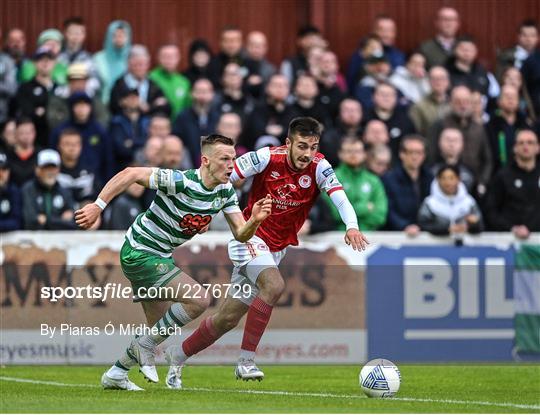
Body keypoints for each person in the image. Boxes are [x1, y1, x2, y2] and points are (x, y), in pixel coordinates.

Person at [164, 117, 368, 388]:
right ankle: (246, 362)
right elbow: (223, 177)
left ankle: (176, 355)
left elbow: (339, 197)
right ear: (288, 143)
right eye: (302, 146)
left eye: (313, 147)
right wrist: (205, 211)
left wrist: (351, 226)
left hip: (276, 249)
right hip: (248, 237)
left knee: (226, 318)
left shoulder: (320, 166)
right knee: (274, 285)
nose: (307, 153)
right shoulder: (265, 157)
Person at [74, 134, 273, 390]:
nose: (231, 165)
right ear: (206, 161)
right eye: (224, 159)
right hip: (140, 250)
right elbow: (130, 173)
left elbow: (240, 233)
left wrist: (255, 220)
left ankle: (116, 374)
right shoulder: (181, 181)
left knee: (157, 330)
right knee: (199, 299)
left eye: (233, 159)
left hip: (160, 255)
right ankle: (142, 348)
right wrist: (98, 207)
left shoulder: (225, 192)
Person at [485, 129, 540, 238]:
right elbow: (491, 210)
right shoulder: (503, 176)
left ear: (537, 147)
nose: (525, 146)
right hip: (510, 241)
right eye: (521, 143)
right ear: (514, 148)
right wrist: (511, 228)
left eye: (530, 142)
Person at [324, 138, 387, 231]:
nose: (353, 155)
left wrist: (346, 210)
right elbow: (333, 214)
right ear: (340, 154)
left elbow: (380, 216)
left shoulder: (373, 180)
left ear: (364, 154)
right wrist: (365, 207)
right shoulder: (331, 178)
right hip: (339, 236)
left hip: (369, 236)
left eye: (357, 151)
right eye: (349, 151)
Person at [382, 135, 433, 235]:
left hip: (425, 233)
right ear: (402, 154)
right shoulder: (389, 179)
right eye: (411, 152)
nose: (415, 157)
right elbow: (388, 209)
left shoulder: (430, 177)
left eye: (419, 152)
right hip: (397, 235)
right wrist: (404, 226)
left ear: (424, 155)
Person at [14, 46, 62, 147]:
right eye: (41, 60)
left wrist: (43, 111)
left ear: (54, 63)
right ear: (34, 63)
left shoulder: (60, 88)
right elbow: (27, 112)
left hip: (58, 139)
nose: (45, 63)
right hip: (34, 142)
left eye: (49, 60)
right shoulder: (25, 88)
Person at [418, 164, 483, 237]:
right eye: (443, 178)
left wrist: (472, 225)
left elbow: (480, 226)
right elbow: (423, 226)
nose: (448, 182)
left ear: (458, 179)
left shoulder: (469, 202)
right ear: (438, 180)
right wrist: (446, 229)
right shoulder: (429, 203)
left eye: (451, 178)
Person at [22, 149, 77, 230]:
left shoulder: (65, 191)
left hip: (61, 240)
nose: (50, 172)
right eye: (46, 168)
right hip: (34, 240)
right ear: (37, 170)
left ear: (58, 170)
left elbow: (73, 224)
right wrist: (61, 220)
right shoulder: (28, 189)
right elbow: (30, 221)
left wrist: (46, 220)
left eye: (53, 168)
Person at [109, 45, 170, 117]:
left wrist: (148, 108)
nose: (139, 68)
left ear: (148, 65)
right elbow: (114, 107)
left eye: (142, 64)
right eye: (136, 65)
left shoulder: (154, 85)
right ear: (129, 65)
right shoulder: (119, 85)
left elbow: (165, 107)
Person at [172, 78, 220, 166]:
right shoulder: (183, 117)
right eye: (199, 91)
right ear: (192, 93)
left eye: (205, 92)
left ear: (212, 94)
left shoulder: (218, 117)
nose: (202, 96)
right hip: (187, 167)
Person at [486, 85, 532, 173]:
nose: (511, 99)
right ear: (499, 101)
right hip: (498, 173)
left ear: (518, 101)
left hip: (523, 172)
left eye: (514, 97)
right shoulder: (491, 125)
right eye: (507, 96)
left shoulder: (525, 124)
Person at [56, 128, 99, 208]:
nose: (72, 148)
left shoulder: (90, 170)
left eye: (76, 144)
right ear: (59, 146)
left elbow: (94, 196)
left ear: (81, 146)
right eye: (67, 144)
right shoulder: (52, 170)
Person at [57, 17, 100, 95]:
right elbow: (54, 82)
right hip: (61, 99)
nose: (75, 37)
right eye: (72, 33)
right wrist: (68, 91)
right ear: (65, 34)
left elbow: (96, 82)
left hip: (83, 99)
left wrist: (80, 89)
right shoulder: (58, 58)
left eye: (79, 33)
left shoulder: (89, 59)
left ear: (84, 36)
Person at [93, 20, 132, 104]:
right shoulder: (98, 58)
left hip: (128, 104)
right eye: (115, 35)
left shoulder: (132, 57)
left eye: (122, 35)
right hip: (104, 103)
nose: (119, 39)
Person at [149, 44, 191, 119]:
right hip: (158, 126)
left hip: (178, 127)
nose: (168, 60)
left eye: (172, 57)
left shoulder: (183, 82)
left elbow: (187, 107)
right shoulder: (151, 78)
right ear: (158, 58)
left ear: (178, 58)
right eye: (165, 57)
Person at [409, 66, 451, 137]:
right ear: (428, 82)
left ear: (448, 81)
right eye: (434, 79)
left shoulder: (454, 104)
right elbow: (416, 133)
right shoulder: (419, 107)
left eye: (442, 78)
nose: (438, 82)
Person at [320, 98, 363, 167]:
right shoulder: (329, 137)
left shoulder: (366, 135)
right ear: (339, 113)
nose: (351, 114)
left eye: (355, 110)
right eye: (347, 110)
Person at [431, 127, 475, 192]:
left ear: (462, 144)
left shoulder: (470, 171)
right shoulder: (430, 169)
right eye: (448, 140)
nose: (451, 144)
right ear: (439, 142)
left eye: (456, 140)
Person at [6, 117, 39, 186]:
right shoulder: (7, 156)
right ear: (15, 134)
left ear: (35, 133)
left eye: (29, 132)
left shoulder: (41, 154)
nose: (26, 136)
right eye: (22, 133)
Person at [0, 152, 22, 232]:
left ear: (9, 172)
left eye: (4, 169)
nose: (0, 174)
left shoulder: (14, 191)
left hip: (10, 241)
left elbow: (17, 222)